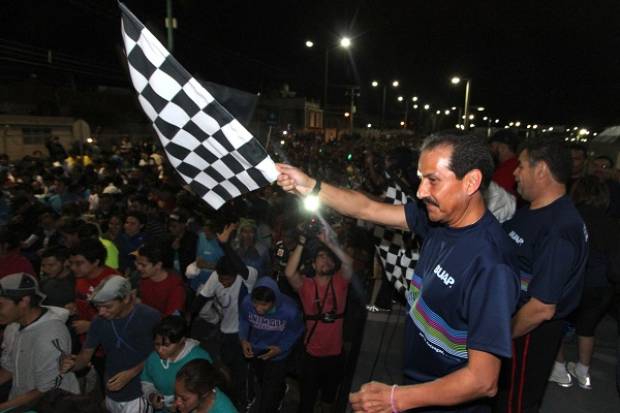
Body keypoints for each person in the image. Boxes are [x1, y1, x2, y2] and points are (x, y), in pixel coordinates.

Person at [277, 133, 521, 412]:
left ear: (471, 182)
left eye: (433, 180)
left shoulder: (492, 266)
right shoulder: (439, 219)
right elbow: (368, 208)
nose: (420, 191)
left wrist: (395, 399)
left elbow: (483, 380)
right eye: (420, 179)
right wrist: (310, 185)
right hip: (419, 387)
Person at [497, 136, 588, 413]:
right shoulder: (532, 212)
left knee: (514, 404)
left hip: (527, 334)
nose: (515, 172)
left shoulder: (560, 228)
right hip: (513, 323)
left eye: (521, 166)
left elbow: (542, 308)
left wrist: (501, 334)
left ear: (541, 170)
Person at [548, 176, 619, 390]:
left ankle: (559, 369)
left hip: (574, 281)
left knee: (558, 322)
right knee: (588, 327)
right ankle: (583, 370)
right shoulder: (612, 222)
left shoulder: (571, 218)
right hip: (601, 285)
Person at [60, 275, 160, 413]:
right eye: (98, 307)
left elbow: (162, 354)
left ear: (125, 299)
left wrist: (131, 373)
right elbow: (84, 357)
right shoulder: (98, 322)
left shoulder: (150, 317)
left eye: (107, 306)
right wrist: (72, 364)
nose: (101, 312)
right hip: (112, 393)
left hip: (141, 393)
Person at [284, 229, 353, 413]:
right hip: (311, 356)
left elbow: (348, 263)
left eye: (329, 258)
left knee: (328, 400)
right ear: (313, 264)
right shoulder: (306, 285)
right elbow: (289, 272)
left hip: (335, 355)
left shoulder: (340, 282)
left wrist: (330, 243)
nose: (326, 260)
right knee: (306, 401)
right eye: (321, 257)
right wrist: (301, 242)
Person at [190, 223, 258, 407]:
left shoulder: (248, 276)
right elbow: (200, 302)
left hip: (246, 333)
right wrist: (186, 323)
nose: (224, 283)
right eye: (221, 279)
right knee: (226, 370)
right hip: (226, 332)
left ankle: (246, 402)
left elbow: (238, 264)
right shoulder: (215, 277)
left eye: (228, 280)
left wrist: (224, 244)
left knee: (243, 371)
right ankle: (229, 401)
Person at [0, 273, 80, 411]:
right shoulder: (13, 326)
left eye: (0, 305)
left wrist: (3, 407)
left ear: (24, 301)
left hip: (52, 405)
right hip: (22, 402)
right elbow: (9, 368)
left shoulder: (50, 334)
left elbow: (47, 389)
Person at [239, 277, 304, 413]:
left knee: (269, 396)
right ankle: (281, 388)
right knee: (262, 379)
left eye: (264, 305)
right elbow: (244, 320)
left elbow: (296, 330)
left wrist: (280, 348)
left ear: (274, 301)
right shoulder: (246, 302)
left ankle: (274, 400)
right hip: (257, 350)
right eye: (256, 303)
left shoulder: (289, 310)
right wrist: (243, 339)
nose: (258, 309)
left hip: (278, 354)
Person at [141, 315, 213, 412]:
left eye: (166, 345)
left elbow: (208, 394)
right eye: (157, 344)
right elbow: (146, 381)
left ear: (182, 341)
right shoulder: (153, 358)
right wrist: (152, 395)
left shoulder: (200, 359)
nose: (160, 350)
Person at [135, 242, 186, 316]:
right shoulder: (143, 278)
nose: (138, 268)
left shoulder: (175, 288)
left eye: (143, 265)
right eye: (138, 263)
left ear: (158, 265)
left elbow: (171, 320)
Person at [489, 129, 520, 195]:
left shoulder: (506, 171)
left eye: (492, 146)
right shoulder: (516, 164)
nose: (490, 150)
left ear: (502, 148)